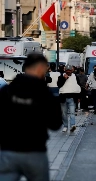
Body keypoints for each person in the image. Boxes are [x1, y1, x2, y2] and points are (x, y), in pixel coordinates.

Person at [0, 53, 62, 181]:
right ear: (40, 68)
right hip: (35, 151)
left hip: (8, 151)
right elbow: (55, 124)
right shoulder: (44, 94)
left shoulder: (7, 90)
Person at [57, 64, 81, 132]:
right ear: (65, 70)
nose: (68, 72)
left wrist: (79, 97)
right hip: (63, 98)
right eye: (67, 70)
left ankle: (72, 125)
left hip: (72, 98)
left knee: (72, 112)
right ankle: (65, 126)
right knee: (64, 113)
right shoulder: (61, 77)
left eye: (69, 70)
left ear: (72, 70)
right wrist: (64, 79)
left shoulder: (75, 77)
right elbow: (59, 85)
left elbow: (78, 87)